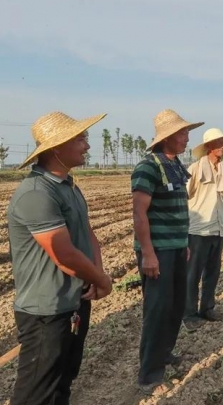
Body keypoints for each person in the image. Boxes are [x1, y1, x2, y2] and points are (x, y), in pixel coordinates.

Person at [8, 111, 113, 404]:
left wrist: (96, 275)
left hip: (74, 301)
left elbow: (88, 233)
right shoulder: (36, 194)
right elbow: (63, 254)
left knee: (63, 381)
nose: (87, 146)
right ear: (57, 148)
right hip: (47, 310)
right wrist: (102, 279)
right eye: (80, 139)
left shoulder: (69, 187)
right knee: (36, 393)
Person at [131, 109, 203, 393]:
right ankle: (149, 374)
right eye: (183, 133)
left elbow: (179, 210)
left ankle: (164, 352)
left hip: (176, 247)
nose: (187, 138)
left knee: (175, 305)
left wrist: (184, 243)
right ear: (167, 137)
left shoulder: (175, 166)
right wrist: (148, 253)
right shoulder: (148, 167)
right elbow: (139, 212)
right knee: (158, 309)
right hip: (158, 251)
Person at [183, 128, 223, 330]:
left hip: (219, 227)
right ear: (208, 146)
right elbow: (184, 196)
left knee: (213, 273)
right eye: (218, 143)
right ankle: (189, 314)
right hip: (199, 229)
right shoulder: (195, 169)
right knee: (193, 274)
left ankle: (207, 308)